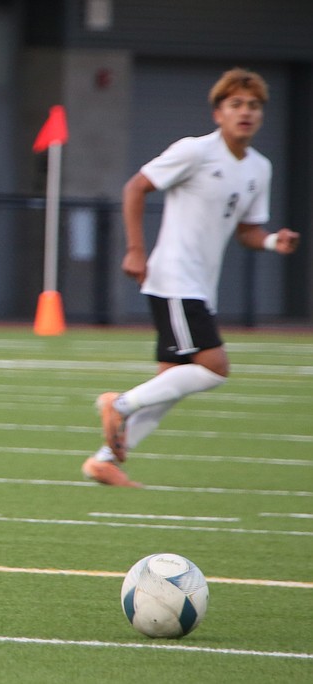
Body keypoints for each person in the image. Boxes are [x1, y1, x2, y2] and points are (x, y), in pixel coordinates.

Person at [83, 68, 300, 488]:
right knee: (214, 368)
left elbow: (247, 230)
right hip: (174, 277)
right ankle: (119, 404)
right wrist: (135, 248)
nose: (246, 113)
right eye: (236, 104)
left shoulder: (260, 168)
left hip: (201, 284)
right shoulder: (195, 151)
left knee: (173, 381)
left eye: (254, 106)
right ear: (218, 113)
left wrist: (274, 242)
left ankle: (104, 460)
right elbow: (135, 187)